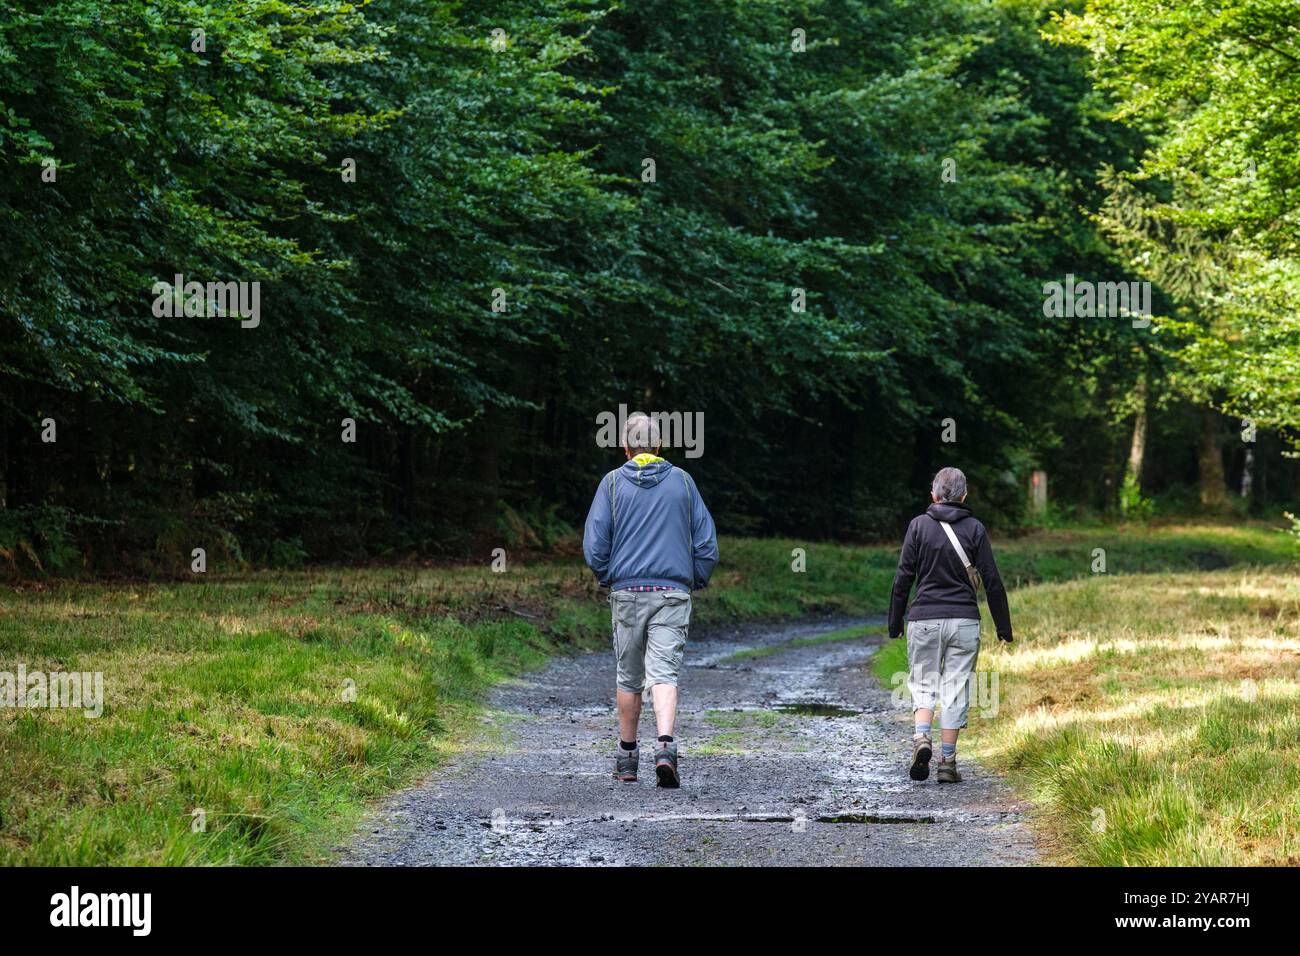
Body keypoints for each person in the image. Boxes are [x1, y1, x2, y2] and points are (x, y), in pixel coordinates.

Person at [582, 413, 718, 787]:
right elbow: (706, 544)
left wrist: (610, 576)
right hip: (672, 593)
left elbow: (595, 546)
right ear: (658, 447)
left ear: (626, 448)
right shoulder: (684, 484)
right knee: (664, 674)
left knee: (628, 676)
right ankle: (665, 748)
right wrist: (695, 579)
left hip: (627, 593)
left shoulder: (610, 485)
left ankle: (627, 759)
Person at [887, 467, 1012, 783]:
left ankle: (921, 738)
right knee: (955, 689)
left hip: (924, 619)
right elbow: (992, 580)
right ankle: (947, 763)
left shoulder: (918, 526)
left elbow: (903, 577)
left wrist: (894, 621)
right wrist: (1003, 626)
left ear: (934, 495)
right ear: (964, 496)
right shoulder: (975, 528)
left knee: (923, 682)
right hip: (964, 621)